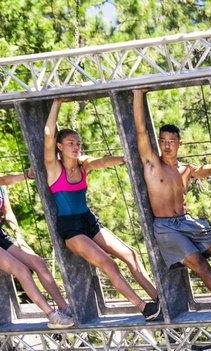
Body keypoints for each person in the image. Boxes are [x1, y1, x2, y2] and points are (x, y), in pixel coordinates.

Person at [132, 89, 211, 315]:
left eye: (171, 141)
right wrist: (137, 94)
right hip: (166, 228)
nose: (167, 145)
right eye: (163, 141)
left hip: (186, 222)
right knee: (201, 265)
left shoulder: (186, 169)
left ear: (180, 143)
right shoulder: (152, 164)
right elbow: (141, 130)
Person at [44, 98, 161, 320]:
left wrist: (123, 159)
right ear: (60, 147)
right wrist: (57, 103)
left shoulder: (83, 164)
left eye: (78, 143)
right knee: (108, 264)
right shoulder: (53, 168)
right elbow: (49, 133)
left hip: (88, 220)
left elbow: (101, 162)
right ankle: (143, 308)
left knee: (130, 255)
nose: (76, 146)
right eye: (71, 143)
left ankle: (158, 298)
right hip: (71, 229)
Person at [0, 149, 74, 329]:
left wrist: (17, 234)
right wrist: (26, 175)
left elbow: (7, 212)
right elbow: (4, 179)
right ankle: (52, 315)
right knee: (22, 270)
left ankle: (65, 307)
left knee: (38, 263)